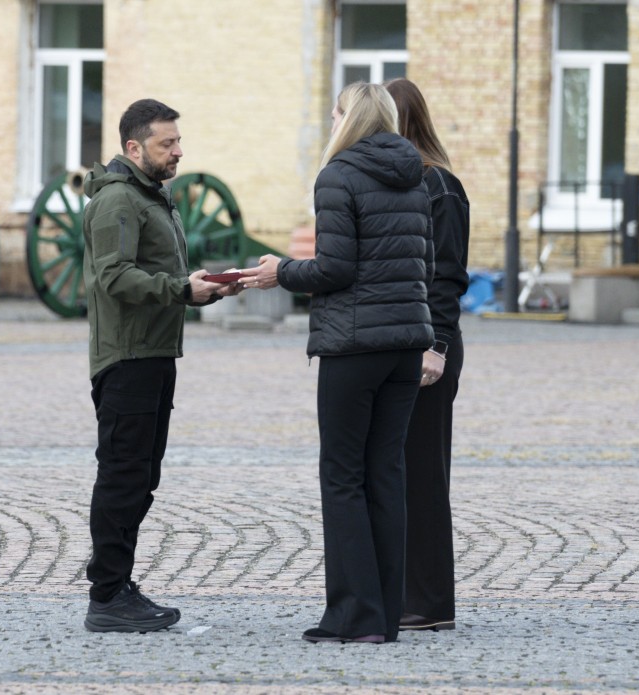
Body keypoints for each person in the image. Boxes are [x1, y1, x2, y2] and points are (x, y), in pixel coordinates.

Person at [240, 82, 433, 644]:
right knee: (386, 475)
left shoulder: (338, 175)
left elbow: (335, 269)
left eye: (334, 113)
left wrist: (281, 272)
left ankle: (352, 615)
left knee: (343, 477)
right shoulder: (417, 175)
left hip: (353, 346)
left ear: (348, 119)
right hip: (404, 344)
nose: (330, 121)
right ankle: (385, 615)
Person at [80, 99, 239, 633]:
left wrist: (203, 286)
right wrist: (180, 290)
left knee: (141, 476)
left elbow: (158, 273)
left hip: (153, 354)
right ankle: (106, 595)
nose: (177, 151)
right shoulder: (118, 202)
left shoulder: (151, 197)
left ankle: (117, 582)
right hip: (126, 358)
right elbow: (114, 278)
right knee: (123, 475)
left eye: (177, 141)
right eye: (166, 143)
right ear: (134, 147)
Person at [385, 77, 470, 633]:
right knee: (398, 470)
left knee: (423, 473)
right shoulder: (403, 183)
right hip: (399, 342)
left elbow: (447, 279)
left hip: (429, 347)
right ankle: (404, 592)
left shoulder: (440, 186)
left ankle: (432, 602)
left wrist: (434, 346)